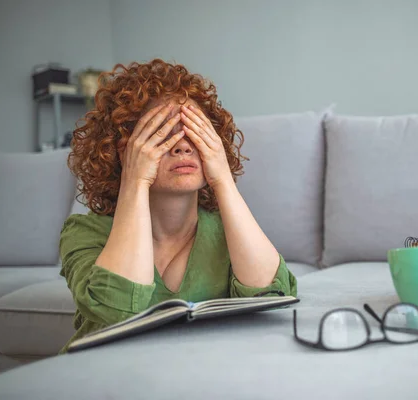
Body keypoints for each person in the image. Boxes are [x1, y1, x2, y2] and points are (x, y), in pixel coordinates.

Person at [59, 59, 297, 352]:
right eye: (164, 132)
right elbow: (116, 309)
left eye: (194, 133)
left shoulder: (228, 232)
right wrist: (134, 179)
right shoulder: (84, 232)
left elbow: (271, 298)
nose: (183, 146)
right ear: (124, 150)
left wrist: (222, 177)